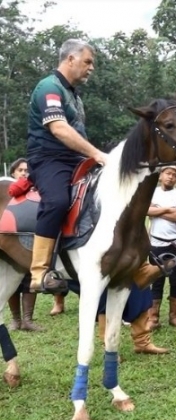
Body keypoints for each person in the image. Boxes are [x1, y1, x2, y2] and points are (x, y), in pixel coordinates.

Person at [26, 39, 108, 294]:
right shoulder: (49, 87)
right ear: (70, 59)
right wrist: (97, 153)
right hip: (49, 159)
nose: (91, 68)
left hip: (75, 159)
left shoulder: (73, 94)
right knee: (58, 202)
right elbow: (59, 129)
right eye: (87, 62)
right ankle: (39, 273)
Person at [146, 167, 176, 329]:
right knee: (156, 281)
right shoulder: (151, 192)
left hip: (174, 246)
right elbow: (145, 210)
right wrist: (167, 209)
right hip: (156, 244)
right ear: (161, 175)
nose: (171, 177)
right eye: (168, 174)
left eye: (174, 175)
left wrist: (156, 210)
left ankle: (175, 316)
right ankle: (153, 318)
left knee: (175, 280)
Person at [6, 158, 43, 331]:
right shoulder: (5, 190)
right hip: (10, 237)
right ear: (13, 172)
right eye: (20, 170)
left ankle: (27, 320)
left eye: (26, 170)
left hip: (29, 234)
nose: (23, 173)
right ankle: (16, 320)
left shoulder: (35, 190)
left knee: (30, 275)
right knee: (11, 280)